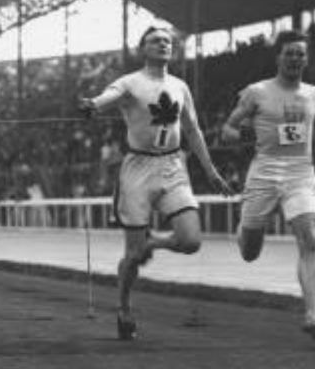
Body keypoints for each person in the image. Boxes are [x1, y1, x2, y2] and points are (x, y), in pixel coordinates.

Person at [79, 26, 232, 340]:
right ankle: (123, 308)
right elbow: (108, 97)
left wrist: (211, 171)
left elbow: (193, 130)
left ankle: (151, 242)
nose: (163, 44)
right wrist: (92, 104)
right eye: (155, 40)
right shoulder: (130, 82)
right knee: (132, 256)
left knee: (190, 241)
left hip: (173, 166)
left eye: (167, 41)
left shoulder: (180, 86)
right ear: (142, 49)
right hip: (137, 169)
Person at [218, 29, 315, 338]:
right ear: (278, 57)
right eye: (290, 53)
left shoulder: (313, 94)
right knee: (249, 251)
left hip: (300, 174)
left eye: (301, 53)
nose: (296, 59)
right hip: (264, 173)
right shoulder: (257, 92)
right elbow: (228, 128)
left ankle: (312, 312)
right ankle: (244, 229)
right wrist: (243, 135)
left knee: (310, 240)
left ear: (307, 58)